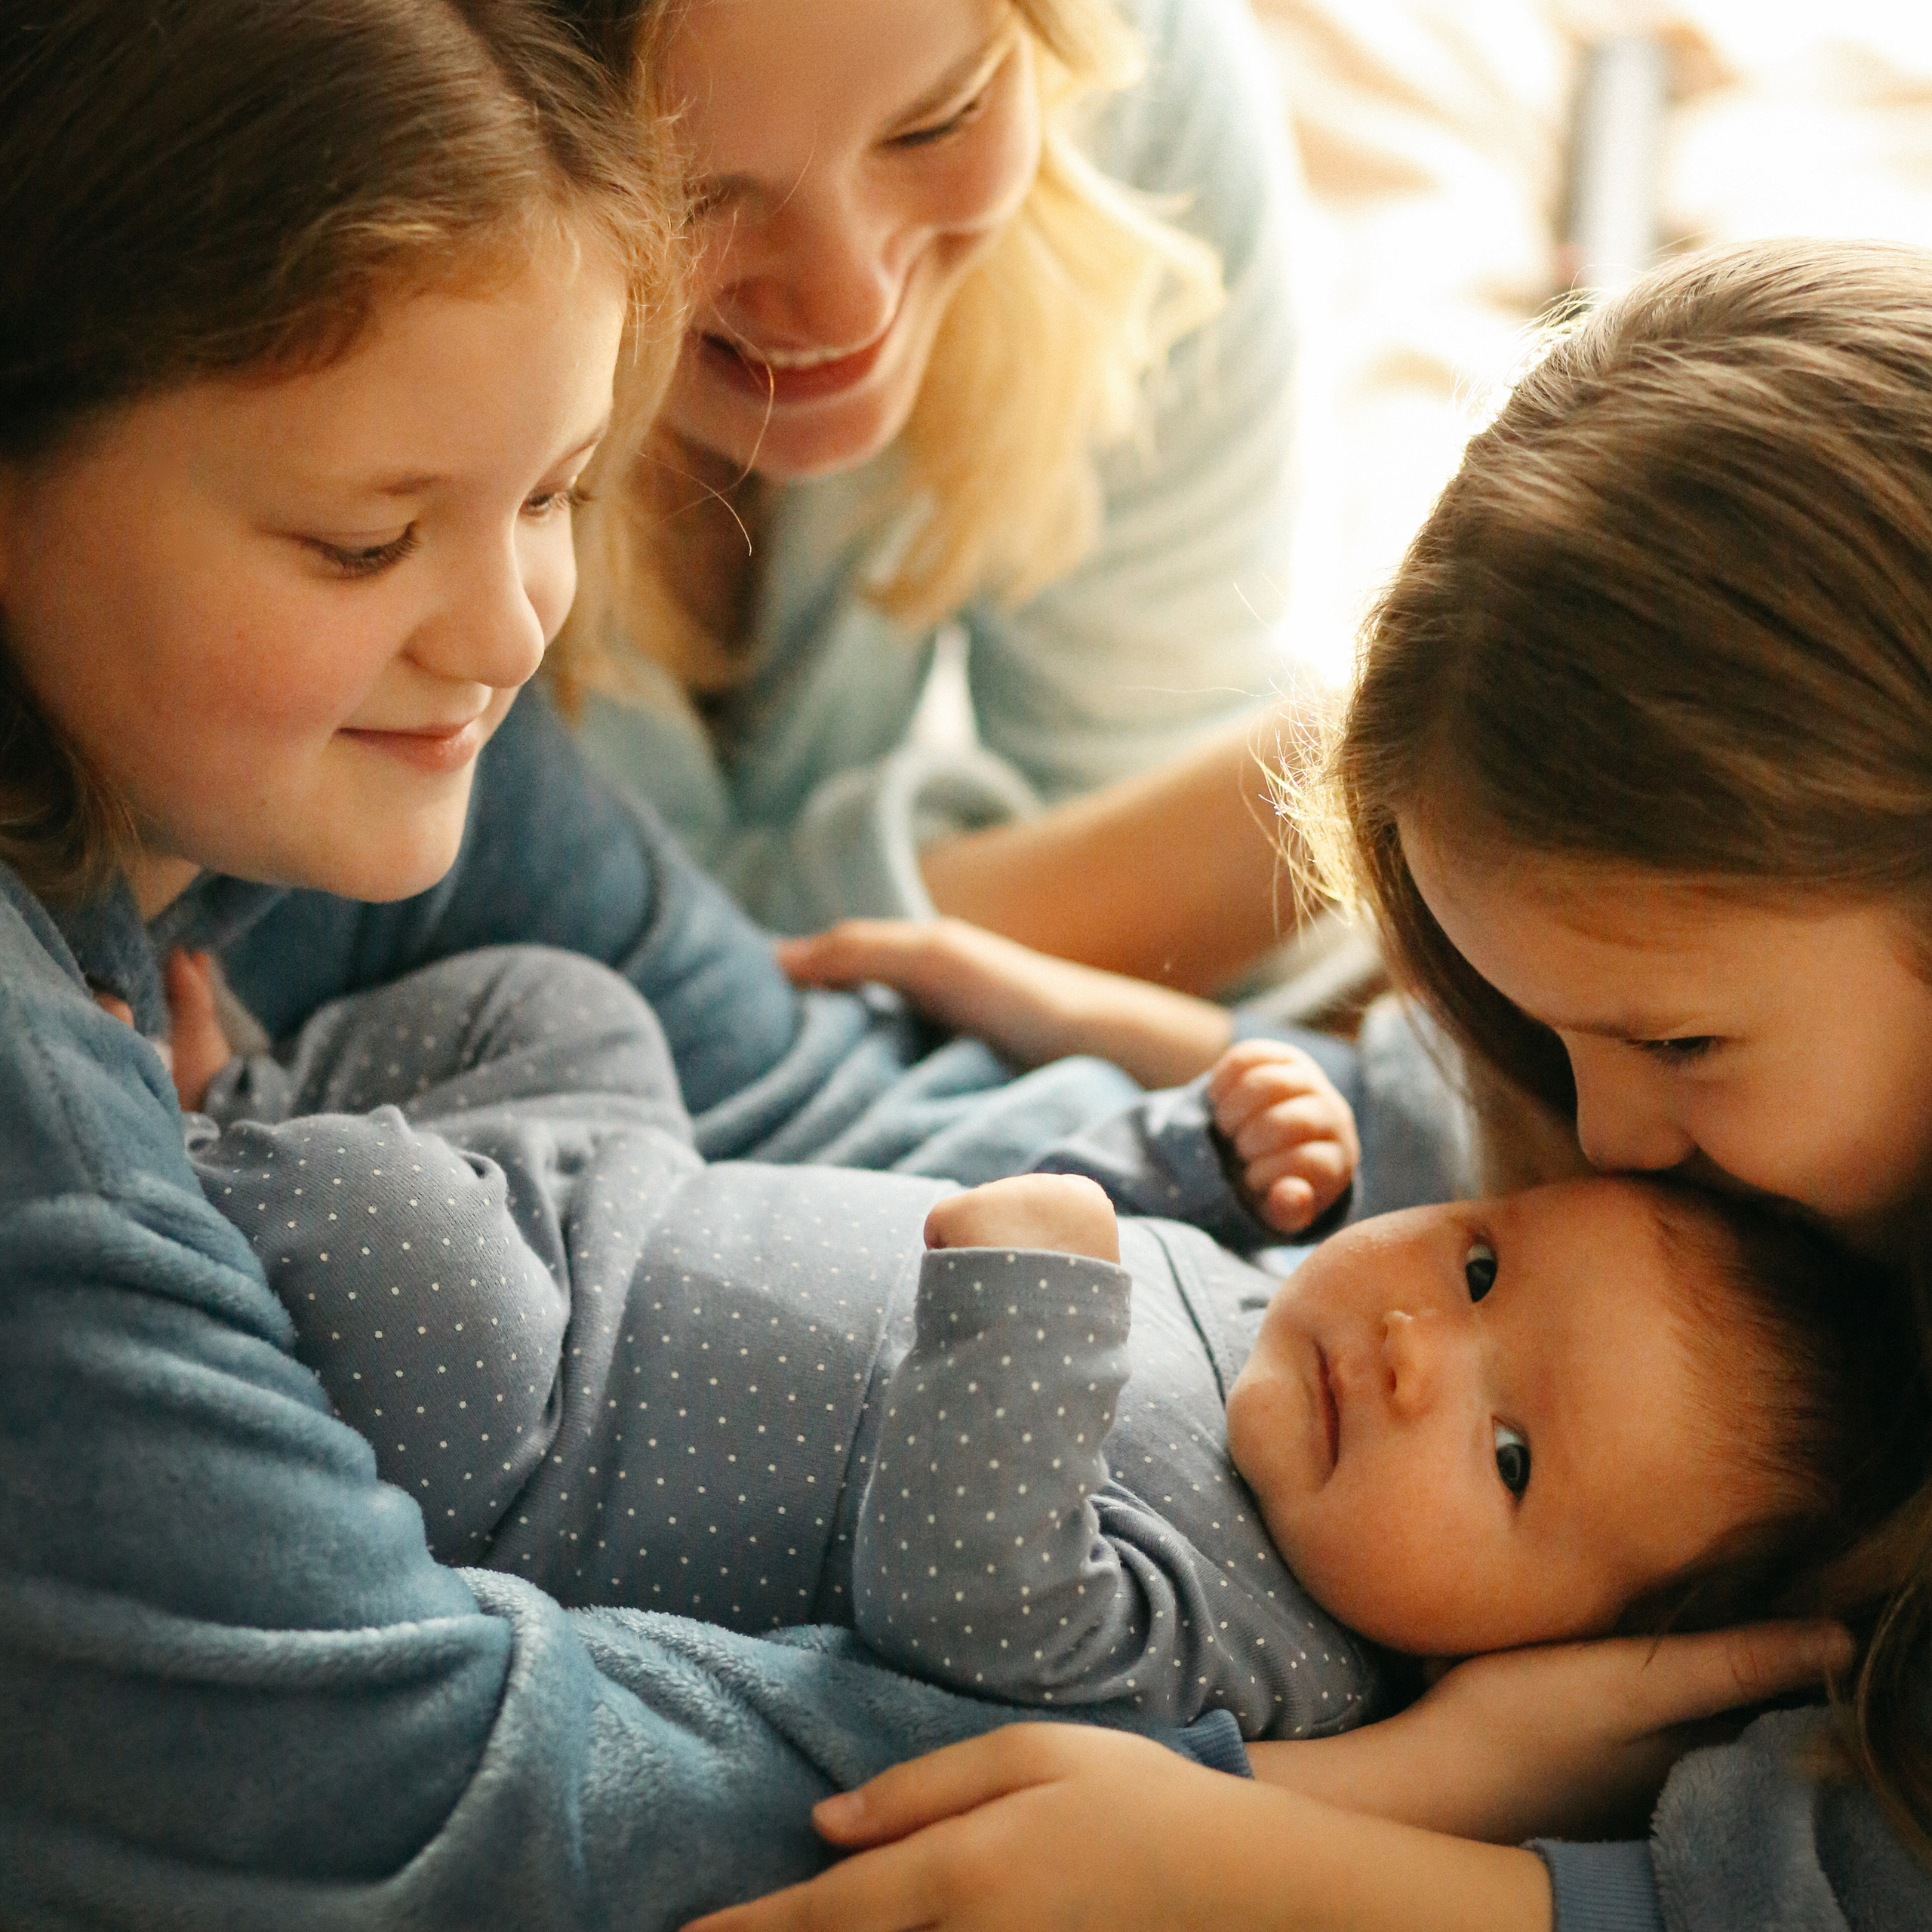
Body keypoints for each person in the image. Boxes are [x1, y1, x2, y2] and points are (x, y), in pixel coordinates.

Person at [0, 6, 1251, 1926]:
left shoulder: (282, 744)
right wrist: (1310, 1803)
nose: (512, 631)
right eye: (361, 543)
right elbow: (421, 1798)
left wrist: (1339, 1155)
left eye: (561, 493)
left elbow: (792, 1087)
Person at [687, 238, 1932, 1932]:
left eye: (1677, 1044)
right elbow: (1378, 1106)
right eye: (1535, 1023)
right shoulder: (1645, 1094)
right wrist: (1047, 995)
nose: (1607, 1137)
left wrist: (1272, 1842)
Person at [174, 944, 1912, 1746]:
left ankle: (161, 1146)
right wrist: (1191, 1151)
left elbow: (972, 1604)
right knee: (565, 1002)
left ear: (1552, 1644)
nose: (1410, 1349)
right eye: (1474, 1266)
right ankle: (256, 1090)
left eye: (1508, 1451)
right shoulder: (1270, 1305)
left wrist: (1037, 1294)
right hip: (628, 1182)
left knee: (380, 1219)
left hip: (537, 1422)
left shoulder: (1276, 1648)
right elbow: (1015, 1196)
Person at [558, 0, 1310, 990]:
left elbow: (1152, 799)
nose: (851, 306)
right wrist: (1389, 755)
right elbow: (625, 966)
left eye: (939, 123)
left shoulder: (1140, 72)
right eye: (682, 200)